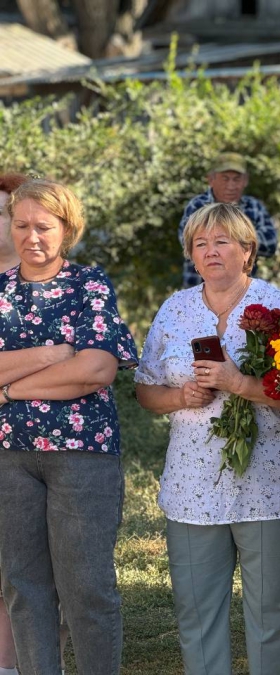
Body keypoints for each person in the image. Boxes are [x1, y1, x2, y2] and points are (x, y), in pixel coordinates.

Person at [135, 203, 280, 675]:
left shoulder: (277, 307)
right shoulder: (175, 309)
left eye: (222, 241)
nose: (210, 251)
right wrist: (181, 396)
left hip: (270, 485)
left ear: (247, 251)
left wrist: (239, 384)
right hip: (193, 488)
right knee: (197, 616)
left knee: (270, 617)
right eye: (201, 243)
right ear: (191, 255)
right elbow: (145, 389)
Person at [0, 179, 137, 675]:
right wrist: (54, 354)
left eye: (43, 226)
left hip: (83, 455)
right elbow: (76, 365)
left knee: (87, 588)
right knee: (23, 585)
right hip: (9, 456)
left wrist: (9, 389)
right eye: (21, 225)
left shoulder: (89, 285)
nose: (31, 236)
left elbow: (96, 370)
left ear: (67, 229)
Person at [0, 172, 27, 675]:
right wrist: (46, 358)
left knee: (27, 568)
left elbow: (88, 365)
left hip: (40, 446)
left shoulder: (64, 283)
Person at [178, 152, 277, 288]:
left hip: (244, 293)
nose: (231, 185)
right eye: (225, 179)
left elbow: (271, 243)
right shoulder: (197, 206)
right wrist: (243, 241)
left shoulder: (254, 207)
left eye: (236, 179)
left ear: (245, 181)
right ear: (211, 180)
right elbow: (188, 243)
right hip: (198, 290)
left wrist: (225, 238)